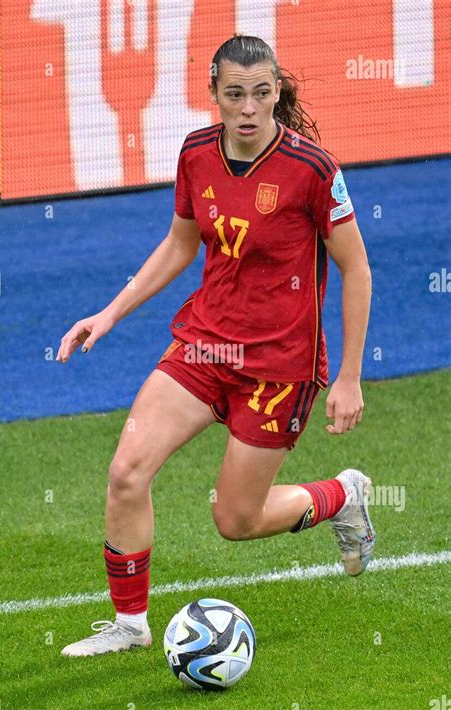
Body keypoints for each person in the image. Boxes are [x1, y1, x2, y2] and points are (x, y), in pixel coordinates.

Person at [57, 35, 375, 657]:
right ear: (214, 97)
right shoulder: (196, 152)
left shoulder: (313, 169)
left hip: (280, 367)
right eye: (235, 95)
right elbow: (181, 243)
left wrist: (350, 377)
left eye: (262, 93)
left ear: (277, 93)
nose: (249, 108)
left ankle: (343, 495)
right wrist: (111, 312)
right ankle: (129, 624)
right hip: (207, 346)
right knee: (126, 472)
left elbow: (356, 269)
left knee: (236, 521)